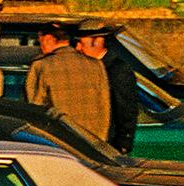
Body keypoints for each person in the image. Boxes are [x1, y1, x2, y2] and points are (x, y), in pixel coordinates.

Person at [24, 21, 111, 142]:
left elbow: (35, 108)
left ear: (48, 39)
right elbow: (104, 105)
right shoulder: (96, 64)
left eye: (41, 42)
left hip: (60, 142)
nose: (41, 47)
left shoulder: (41, 66)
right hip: (94, 141)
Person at [74, 19, 140, 154]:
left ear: (97, 41)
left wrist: (123, 141)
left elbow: (126, 108)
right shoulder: (89, 66)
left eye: (81, 43)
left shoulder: (117, 69)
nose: (78, 48)